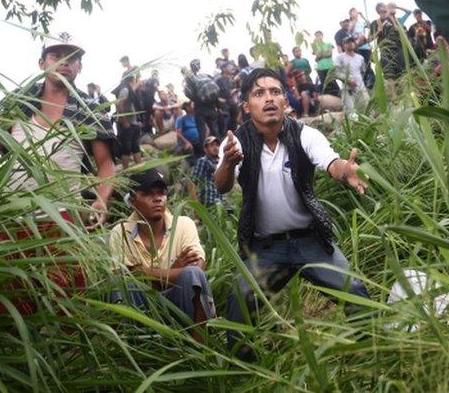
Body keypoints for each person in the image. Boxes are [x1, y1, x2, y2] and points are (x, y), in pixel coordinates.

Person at [214, 68, 370, 356]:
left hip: (311, 241)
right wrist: (226, 162)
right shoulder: (236, 143)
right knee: (240, 299)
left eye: (275, 92)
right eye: (259, 93)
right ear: (247, 107)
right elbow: (222, 186)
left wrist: (344, 170)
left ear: (285, 100)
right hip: (266, 248)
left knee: (355, 291)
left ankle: (374, 351)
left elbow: (330, 161)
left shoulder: (304, 134)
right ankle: (243, 368)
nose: (269, 98)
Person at [0, 33, 117, 313]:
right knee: (10, 304)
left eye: (72, 59)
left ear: (80, 67)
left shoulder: (91, 109)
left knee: (66, 303)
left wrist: (101, 198)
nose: (64, 64)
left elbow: (105, 163)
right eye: (56, 57)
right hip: (12, 215)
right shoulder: (16, 104)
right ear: (41, 63)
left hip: (63, 217)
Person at [108, 168, 215, 340]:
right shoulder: (120, 232)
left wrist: (145, 272)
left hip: (179, 301)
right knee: (120, 283)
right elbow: (130, 277)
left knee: (193, 274)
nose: (158, 198)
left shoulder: (183, 224)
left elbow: (198, 269)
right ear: (133, 200)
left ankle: (200, 350)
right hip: (142, 305)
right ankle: (128, 350)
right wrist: (175, 270)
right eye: (149, 194)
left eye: (161, 193)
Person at [183, 59, 223, 141]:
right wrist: (217, 105)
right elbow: (214, 91)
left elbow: (188, 93)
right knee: (215, 130)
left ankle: (203, 151)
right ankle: (219, 149)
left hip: (199, 108)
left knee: (202, 132)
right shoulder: (206, 75)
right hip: (211, 107)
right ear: (199, 66)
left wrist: (196, 99)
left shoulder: (189, 79)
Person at [114, 72, 144, 169]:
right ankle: (125, 171)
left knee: (135, 146)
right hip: (126, 124)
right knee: (126, 148)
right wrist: (125, 121)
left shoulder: (129, 90)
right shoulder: (125, 90)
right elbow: (118, 104)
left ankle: (140, 168)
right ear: (131, 81)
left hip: (133, 123)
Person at [189, 136, 228, 207]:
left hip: (221, 204)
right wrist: (196, 207)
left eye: (217, 145)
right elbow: (192, 184)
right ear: (205, 149)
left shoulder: (221, 163)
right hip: (208, 203)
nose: (215, 147)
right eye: (212, 145)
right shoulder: (203, 161)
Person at [334, 38, 369, 114]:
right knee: (351, 112)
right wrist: (348, 79)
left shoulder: (360, 58)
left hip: (361, 88)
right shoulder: (340, 57)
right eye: (348, 42)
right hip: (347, 89)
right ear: (343, 45)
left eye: (352, 42)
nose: (351, 44)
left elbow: (363, 72)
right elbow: (335, 72)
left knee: (366, 109)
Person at [311, 30, 338, 96]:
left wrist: (320, 56)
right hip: (320, 68)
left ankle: (338, 95)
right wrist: (321, 55)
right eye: (316, 36)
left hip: (329, 66)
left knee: (332, 82)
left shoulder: (328, 44)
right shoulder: (315, 46)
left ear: (322, 36)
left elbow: (329, 54)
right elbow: (317, 56)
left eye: (319, 35)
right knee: (324, 84)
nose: (318, 37)